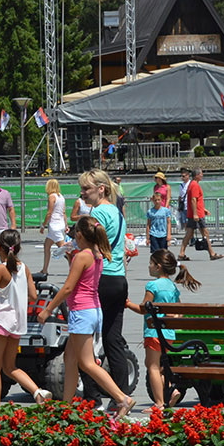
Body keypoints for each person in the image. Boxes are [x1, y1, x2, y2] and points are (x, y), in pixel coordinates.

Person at [38, 215, 136, 418]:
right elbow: (81, 279)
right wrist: (69, 258)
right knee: (70, 358)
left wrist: (48, 310)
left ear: (80, 235)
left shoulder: (82, 256)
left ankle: (121, 397)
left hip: (81, 312)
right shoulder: (96, 254)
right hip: (92, 310)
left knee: (87, 363)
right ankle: (66, 405)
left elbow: (68, 288)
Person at [0, 229, 51, 407]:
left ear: (0, 248)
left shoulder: (1, 269)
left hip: (1, 321)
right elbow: (33, 296)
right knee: (10, 366)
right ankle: (37, 391)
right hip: (17, 323)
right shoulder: (24, 268)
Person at [124, 248, 200, 411]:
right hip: (168, 333)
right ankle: (171, 389)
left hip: (154, 332)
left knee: (151, 366)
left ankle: (159, 403)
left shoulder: (153, 285)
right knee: (157, 365)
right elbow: (179, 310)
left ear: (158, 266)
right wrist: (175, 318)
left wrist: (128, 304)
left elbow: (145, 308)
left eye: (150, 263)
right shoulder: (172, 287)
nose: (149, 267)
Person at [79, 169, 132, 396]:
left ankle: (92, 397)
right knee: (113, 339)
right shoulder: (117, 213)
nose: (82, 194)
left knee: (85, 341)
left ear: (101, 188)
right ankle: (121, 395)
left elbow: (90, 247)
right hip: (119, 278)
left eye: (86, 189)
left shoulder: (98, 214)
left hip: (100, 279)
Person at [177, 168, 224, 262]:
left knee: (189, 233)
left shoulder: (192, 184)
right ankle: (212, 253)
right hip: (197, 215)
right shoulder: (194, 185)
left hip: (196, 213)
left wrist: (203, 209)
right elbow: (193, 200)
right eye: (201, 174)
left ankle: (181, 253)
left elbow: (196, 201)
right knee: (205, 233)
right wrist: (196, 213)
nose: (202, 175)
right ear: (197, 175)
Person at [38, 178, 67, 275]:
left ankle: (76, 266)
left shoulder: (52, 196)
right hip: (60, 223)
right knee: (46, 246)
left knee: (64, 250)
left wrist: (43, 225)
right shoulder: (61, 197)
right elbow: (64, 212)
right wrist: (66, 225)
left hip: (54, 225)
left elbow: (49, 213)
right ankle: (44, 269)